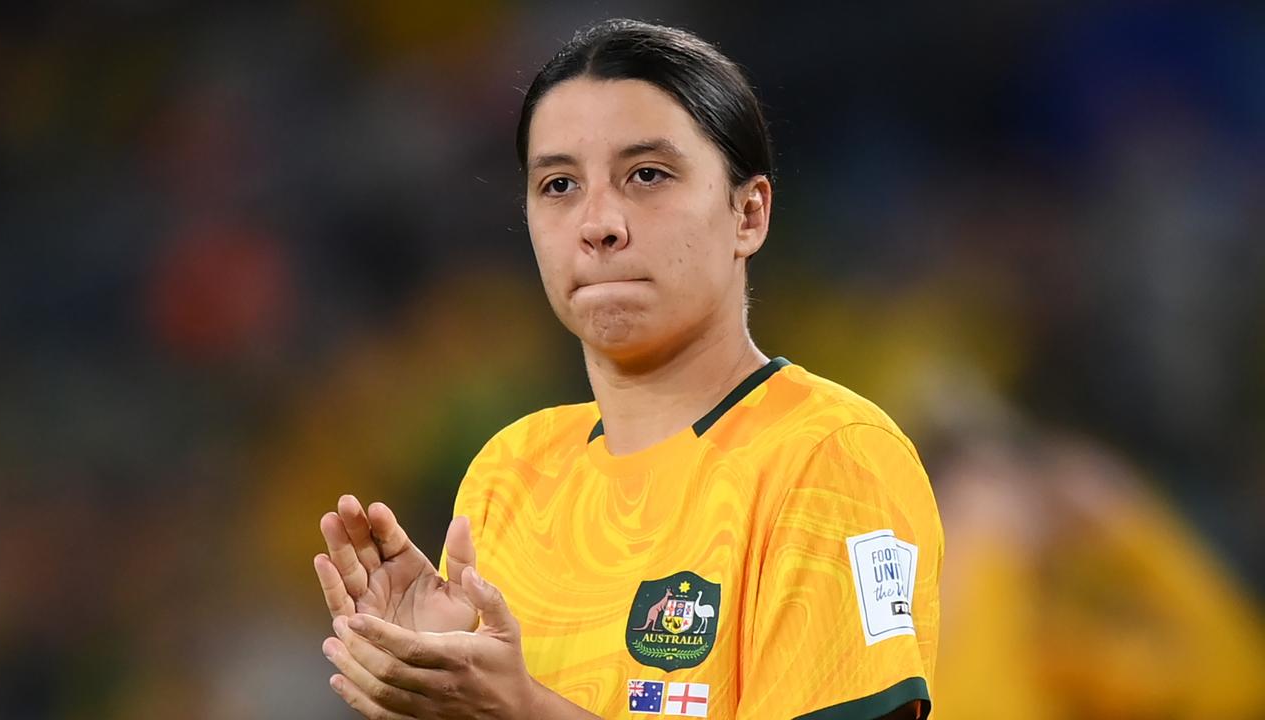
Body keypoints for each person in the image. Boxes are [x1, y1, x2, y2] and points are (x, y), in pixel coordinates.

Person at [313, 18, 942, 720]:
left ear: (749, 213)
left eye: (646, 175)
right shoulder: (511, 474)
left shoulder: (830, 459)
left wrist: (523, 711)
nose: (598, 222)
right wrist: (432, 695)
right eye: (558, 185)